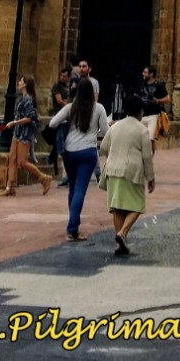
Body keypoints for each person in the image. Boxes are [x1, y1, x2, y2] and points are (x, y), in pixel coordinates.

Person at [50, 76, 109, 241]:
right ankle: (72, 227)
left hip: (69, 151)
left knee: (73, 188)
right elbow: (105, 132)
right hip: (88, 151)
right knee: (80, 190)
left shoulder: (70, 108)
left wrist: (67, 127)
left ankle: (73, 224)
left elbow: (53, 123)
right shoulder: (98, 109)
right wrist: (94, 131)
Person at [99, 93, 155, 255]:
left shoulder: (115, 126)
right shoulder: (142, 130)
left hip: (113, 170)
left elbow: (103, 147)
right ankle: (122, 233)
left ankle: (120, 241)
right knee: (137, 205)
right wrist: (150, 178)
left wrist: (114, 154)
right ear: (140, 112)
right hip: (132, 171)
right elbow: (147, 156)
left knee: (117, 208)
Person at [0, 75, 52, 197]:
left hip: (24, 133)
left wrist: (14, 123)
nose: (18, 83)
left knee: (22, 161)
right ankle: (10, 187)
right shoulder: (23, 98)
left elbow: (29, 117)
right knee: (12, 158)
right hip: (18, 132)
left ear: (25, 84)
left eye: (21, 81)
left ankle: (43, 177)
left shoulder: (28, 99)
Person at [48, 65, 72, 178]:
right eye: (61, 75)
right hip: (59, 116)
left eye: (65, 76)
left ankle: (53, 159)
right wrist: (69, 106)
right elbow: (59, 101)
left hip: (65, 117)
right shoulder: (57, 86)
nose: (62, 77)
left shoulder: (67, 87)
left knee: (59, 141)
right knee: (59, 141)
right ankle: (52, 159)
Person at [140, 65, 171, 143]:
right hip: (142, 115)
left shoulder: (159, 86)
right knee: (140, 140)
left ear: (151, 74)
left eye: (145, 72)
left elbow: (168, 99)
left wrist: (158, 101)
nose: (142, 74)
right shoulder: (141, 85)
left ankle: (150, 155)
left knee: (150, 139)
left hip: (153, 116)